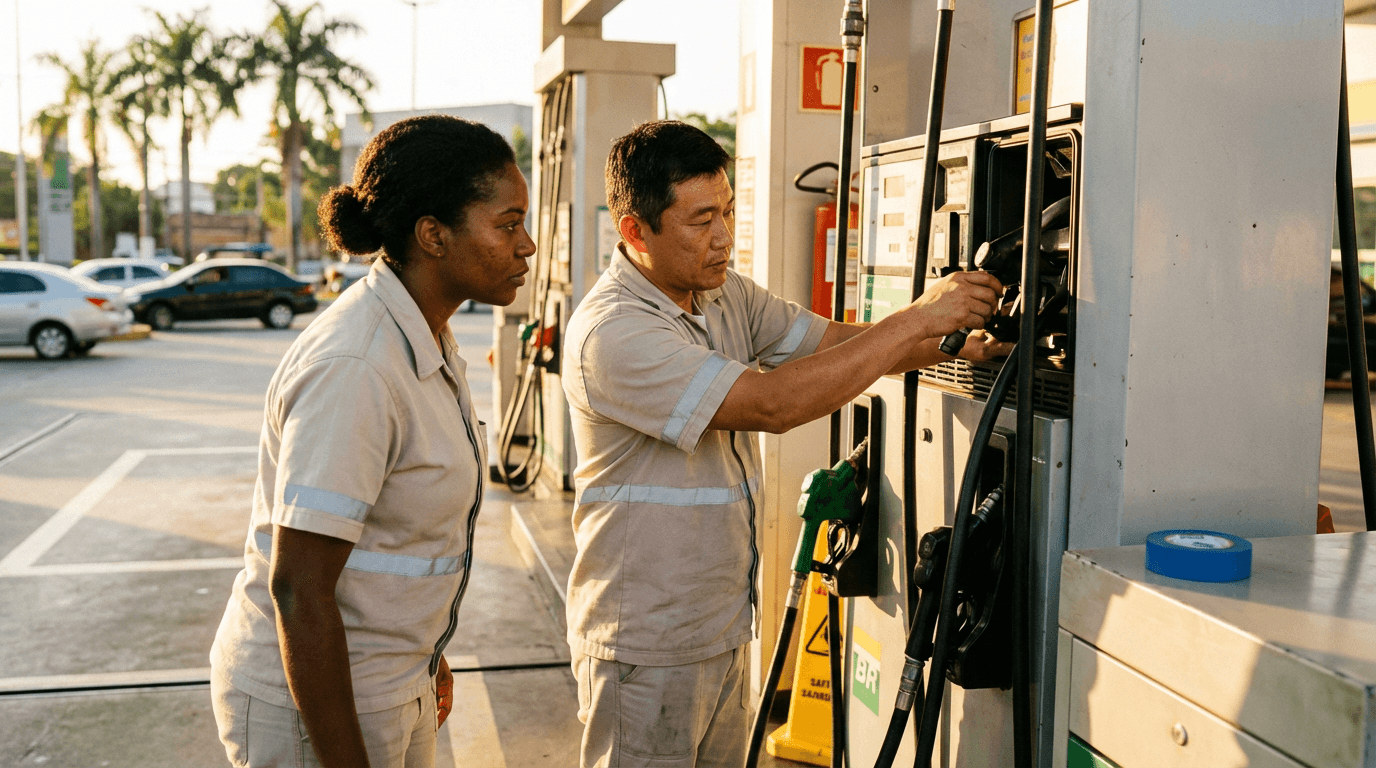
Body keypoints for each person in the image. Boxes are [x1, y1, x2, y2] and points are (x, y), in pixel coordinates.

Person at [561, 120, 1009, 767]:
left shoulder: (720, 295)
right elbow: (772, 404)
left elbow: (834, 345)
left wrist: (951, 343)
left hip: (716, 625)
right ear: (635, 231)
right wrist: (919, 317)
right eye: (701, 219)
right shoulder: (615, 333)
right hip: (645, 643)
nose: (722, 237)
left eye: (729, 212)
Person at [209, 115, 535, 767]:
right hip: (319, 706)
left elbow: (397, 536)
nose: (527, 245)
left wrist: (424, 652)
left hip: (390, 682)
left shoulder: (425, 335)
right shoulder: (356, 367)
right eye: (507, 224)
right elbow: (300, 588)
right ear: (433, 235)